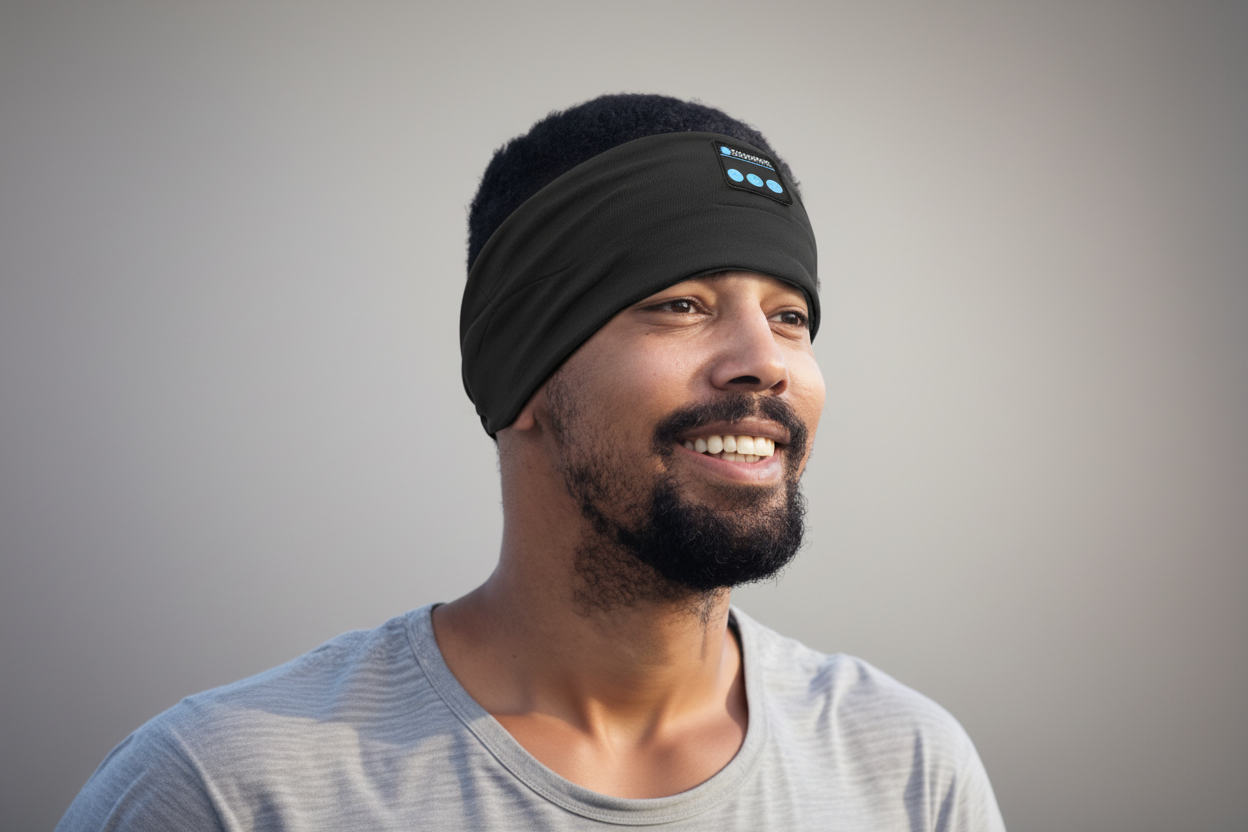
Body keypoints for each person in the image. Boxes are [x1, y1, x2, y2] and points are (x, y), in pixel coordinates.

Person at [57, 93, 1007, 831]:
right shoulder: (230, 788)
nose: (765, 359)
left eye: (790, 317)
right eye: (680, 303)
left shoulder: (903, 765)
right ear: (522, 372)